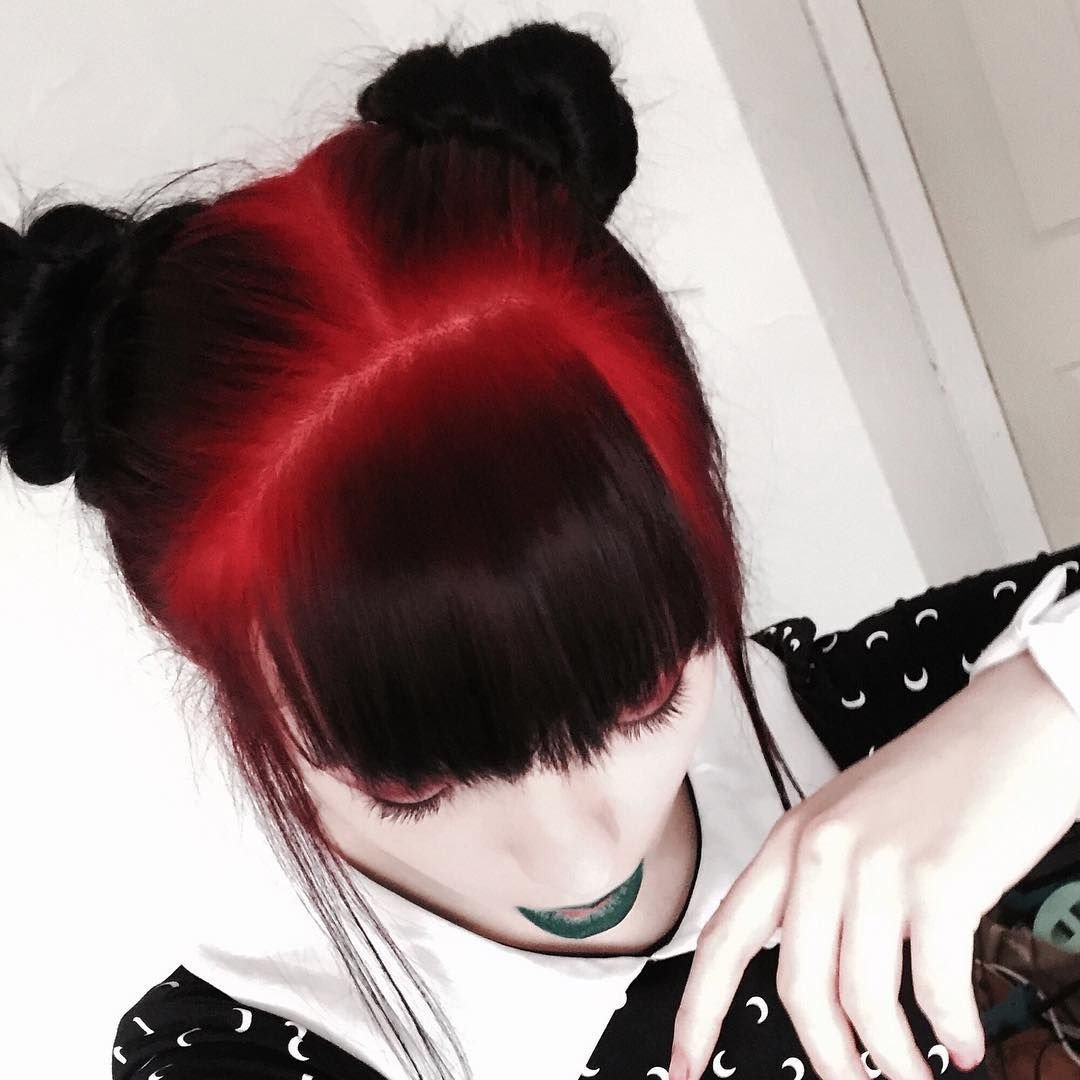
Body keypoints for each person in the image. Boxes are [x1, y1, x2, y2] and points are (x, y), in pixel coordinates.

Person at [1, 19, 1076, 1080]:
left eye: (643, 697)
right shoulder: (250, 1052)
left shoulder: (856, 724)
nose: (580, 858)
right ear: (218, 667)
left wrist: (1045, 710)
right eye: (412, 782)